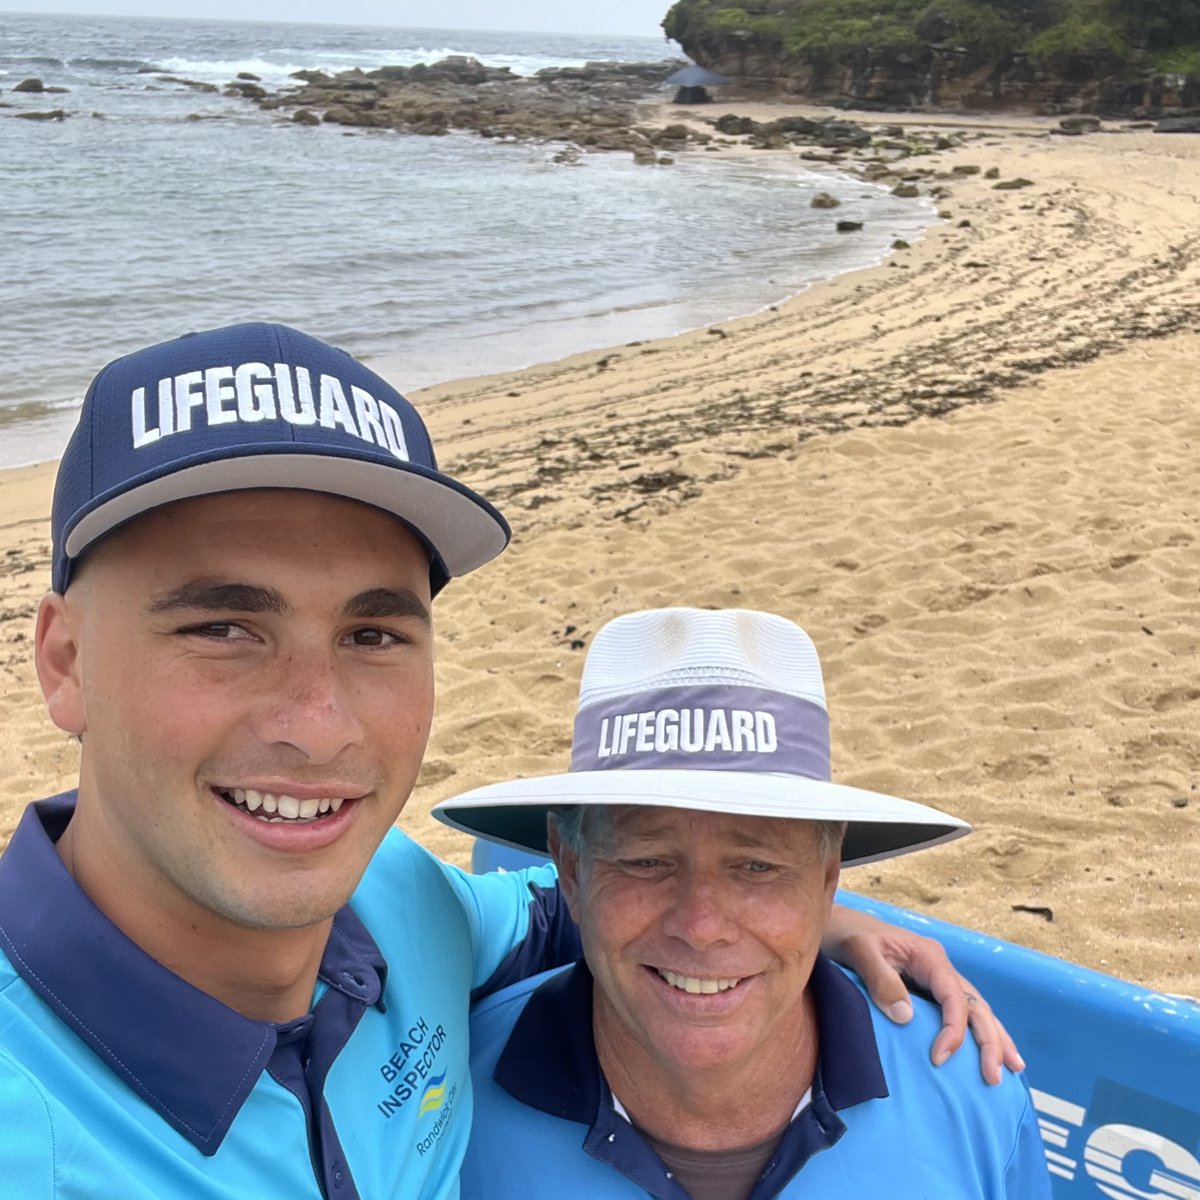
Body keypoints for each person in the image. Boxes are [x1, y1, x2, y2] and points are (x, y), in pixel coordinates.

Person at [0, 324, 1019, 1199]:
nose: (316, 728)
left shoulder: (397, 906)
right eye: (223, 628)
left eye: (372, 635)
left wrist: (803, 914)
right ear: (65, 660)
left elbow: (575, 903)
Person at [438, 607, 1052, 1199]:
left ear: (828, 875)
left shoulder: (973, 1091)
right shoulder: (439, 1107)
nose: (702, 927)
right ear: (570, 868)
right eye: (646, 861)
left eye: (758, 867)